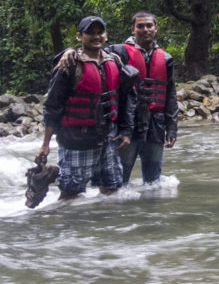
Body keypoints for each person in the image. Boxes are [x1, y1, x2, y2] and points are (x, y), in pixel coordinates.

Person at [32, 16, 136, 203]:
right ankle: (67, 230)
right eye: (90, 33)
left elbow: (126, 99)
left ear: (106, 35)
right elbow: (53, 106)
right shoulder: (69, 64)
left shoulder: (115, 61)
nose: (96, 36)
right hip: (77, 140)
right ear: (79, 36)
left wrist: (126, 131)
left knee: (111, 189)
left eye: (100, 32)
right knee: (70, 195)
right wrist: (45, 144)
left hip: (108, 139)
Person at [107, 11, 178, 184]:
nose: (145, 29)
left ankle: (150, 210)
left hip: (156, 125)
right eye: (140, 26)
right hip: (127, 126)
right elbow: (92, 52)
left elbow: (170, 95)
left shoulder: (166, 58)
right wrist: (71, 52)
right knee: (118, 181)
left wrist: (172, 128)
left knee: (153, 182)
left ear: (155, 29)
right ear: (133, 29)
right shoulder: (118, 53)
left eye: (149, 25)